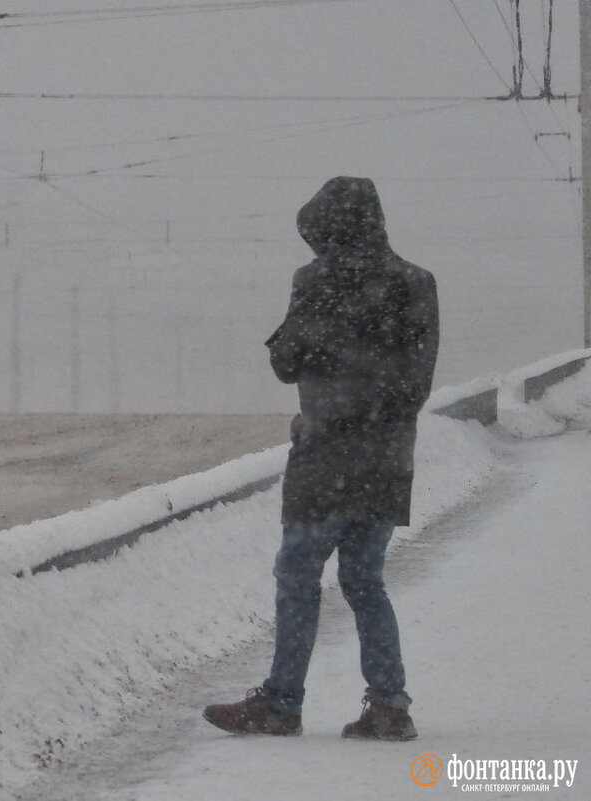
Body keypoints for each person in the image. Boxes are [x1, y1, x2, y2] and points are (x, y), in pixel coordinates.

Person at [203, 176, 439, 741]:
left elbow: (286, 363)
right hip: (388, 459)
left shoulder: (316, 280)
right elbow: (415, 383)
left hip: (326, 457)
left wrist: (315, 356)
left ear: (325, 229)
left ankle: (281, 703)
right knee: (364, 580)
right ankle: (390, 706)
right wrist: (375, 421)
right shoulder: (417, 282)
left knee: (297, 575)